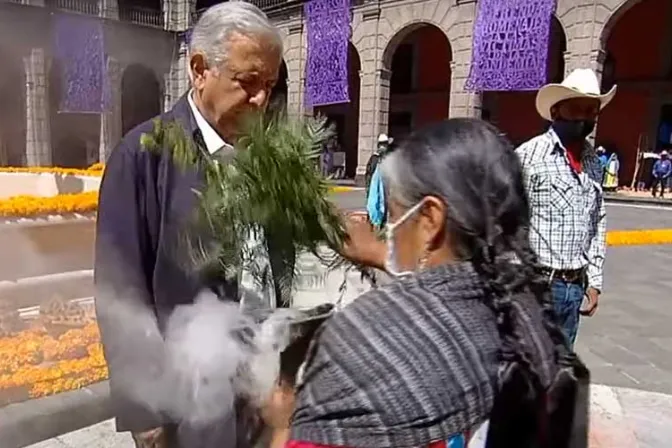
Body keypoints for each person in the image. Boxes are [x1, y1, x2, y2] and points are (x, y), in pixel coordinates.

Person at [264, 119, 569, 447]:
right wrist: (380, 254)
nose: (391, 228)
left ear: (429, 220)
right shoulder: (528, 313)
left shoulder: (365, 343)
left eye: (396, 216)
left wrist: (283, 423)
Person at [94, 3, 283, 448]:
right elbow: (121, 290)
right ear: (200, 69)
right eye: (249, 82)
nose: (261, 100)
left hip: (262, 383)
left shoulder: (266, 155)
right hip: (190, 396)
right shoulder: (143, 155)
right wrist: (144, 410)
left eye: (270, 86)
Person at [517, 68, 615, 348]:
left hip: (574, 287)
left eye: (592, 111)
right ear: (557, 110)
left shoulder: (594, 163)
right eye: (578, 108)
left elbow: (597, 223)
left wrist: (594, 280)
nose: (586, 117)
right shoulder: (529, 156)